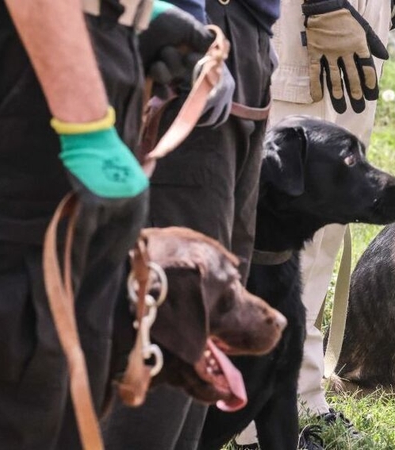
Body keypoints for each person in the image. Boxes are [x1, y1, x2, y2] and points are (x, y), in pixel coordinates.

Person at [0, 1, 210, 448]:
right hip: (29, 71)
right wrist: (86, 126)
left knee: (72, 386)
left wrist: (134, 16)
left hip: (78, 52)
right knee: (11, 388)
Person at [233, 0, 395, 447]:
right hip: (310, 19)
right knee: (279, 218)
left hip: (358, 16)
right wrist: (325, 4)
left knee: (325, 224)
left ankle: (301, 393)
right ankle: (254, 417)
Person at [101, 0, 277, 448]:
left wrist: (255, 40)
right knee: (169, 310)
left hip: (245, 38)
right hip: (188, 45)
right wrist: (189, 29)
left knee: (213, 303)